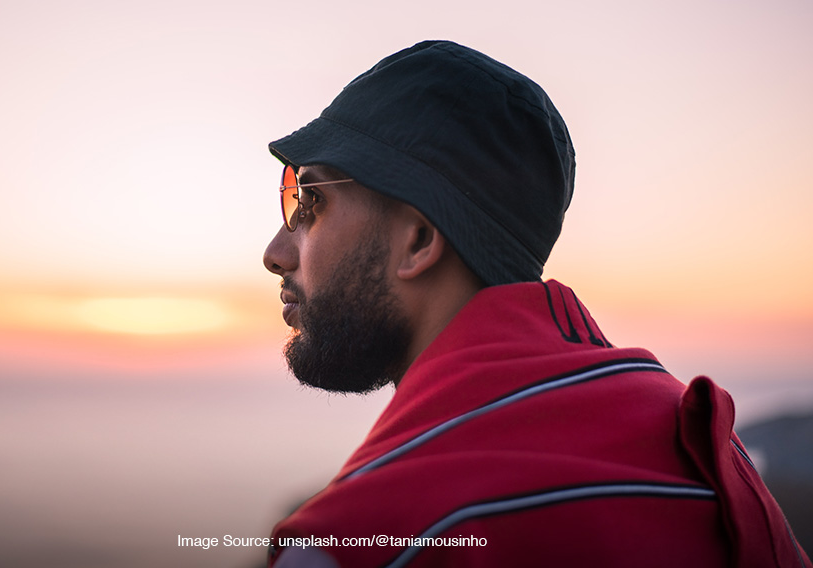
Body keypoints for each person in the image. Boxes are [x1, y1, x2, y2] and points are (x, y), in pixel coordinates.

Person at [261, 41, 809, 568]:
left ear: (419, 240)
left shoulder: (361, 540)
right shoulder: (711, 456)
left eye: (308, 200)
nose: (275, 252)